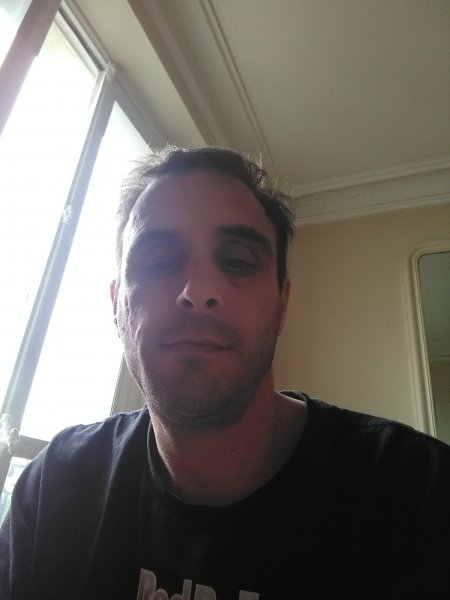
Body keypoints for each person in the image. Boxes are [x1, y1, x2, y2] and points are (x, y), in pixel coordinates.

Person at [0, 146, 449, 600]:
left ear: (281, 306)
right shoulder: (56, 483)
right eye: (159, 260)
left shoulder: (421, 496)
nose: (199, 292)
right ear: (117, 305)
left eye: (237, 261)